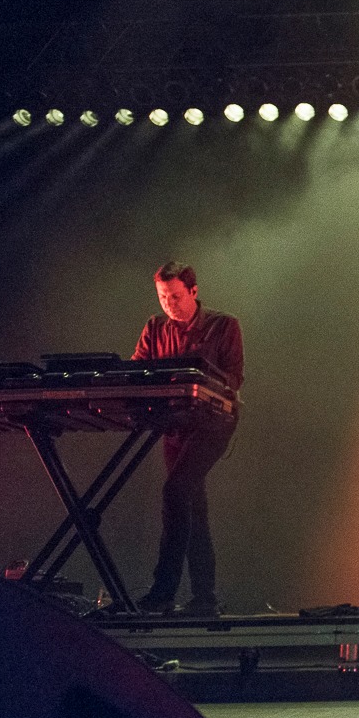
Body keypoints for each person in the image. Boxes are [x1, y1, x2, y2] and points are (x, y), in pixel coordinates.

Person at [131, 261, 243, 617]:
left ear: (194, 292)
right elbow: (136, 371)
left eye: (176, 296)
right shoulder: (154, 327)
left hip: (212, 424)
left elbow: (234, 379)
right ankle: (204, 597)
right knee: (192, 505)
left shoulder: (224, 326)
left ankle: (164, 591)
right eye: (163, 297)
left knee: (176, 491)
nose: (169, 304)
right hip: (176, 427)